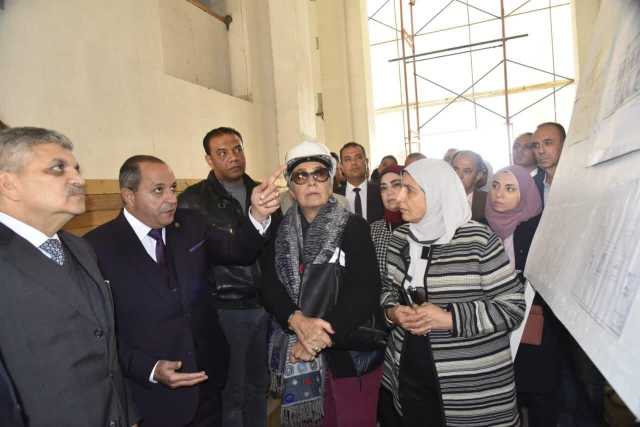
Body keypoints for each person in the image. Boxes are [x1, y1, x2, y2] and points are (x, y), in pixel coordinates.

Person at [85, 155, 281, 427]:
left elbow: (236, 250)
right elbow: (99, 332)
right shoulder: (96, 248)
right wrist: (149, 369)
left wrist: (257, 214)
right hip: (152, 395)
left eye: (173, 188)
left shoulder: (191, 224)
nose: (171, 199)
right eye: (158, 190)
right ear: (129, 196)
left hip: (208, 379)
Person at [0, 127, 138, 427]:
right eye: (57, 168)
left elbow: (105, 348)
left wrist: (127, 414)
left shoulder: (80, 248)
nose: (78, 179)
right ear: (9, 184)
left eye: (76, 169)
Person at [381, 158, 524, 426]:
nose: (398, 197)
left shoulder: (478, 240)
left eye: (409, 190)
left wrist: (449, 318)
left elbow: (512, 307)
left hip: (470, 383)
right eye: (399, 187)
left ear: (438, 193)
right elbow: (388, 290)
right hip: (409, 372)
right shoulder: (400, 238)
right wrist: (393, 312)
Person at [261, 141, 383, 427]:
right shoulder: (278, 230)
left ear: (331, 181)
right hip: (297, 347)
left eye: (319, 173)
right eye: (301, 176)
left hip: (349, 351)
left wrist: (317, 338)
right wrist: (296, 320)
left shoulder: (353, 226)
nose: (311, 182)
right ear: (291, 188)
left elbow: (364, 291)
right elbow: (269, 284)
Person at [178, 127, 274, 427]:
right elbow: (200, 257)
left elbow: (275, 248)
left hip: (265, 305)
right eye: (222, 152)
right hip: (225, 307)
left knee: (259, 386)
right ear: (209, 159)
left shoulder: (261, 191)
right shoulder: (193, 201)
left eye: (237, 149)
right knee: (231, 392)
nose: (233, 157)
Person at [368, 164, 405, 427]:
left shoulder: (422, 227)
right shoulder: (375, 229)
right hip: (382, 324)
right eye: (383, 187)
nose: (389, 193)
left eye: (396, 185)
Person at [335, 141, 384, 223]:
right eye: (348, 159)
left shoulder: (381, 192)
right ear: (341, 166)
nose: (354, 163)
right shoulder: (334, 198)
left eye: (358, 158)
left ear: (366, 162)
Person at [531, 122, 565, 205]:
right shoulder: (532, 185)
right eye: (536, 145)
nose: (541, 151)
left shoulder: (582, 180)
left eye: (548, 143)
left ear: (564, 144)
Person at [451, 150, 487, 222]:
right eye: (455, 169)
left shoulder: (488, 202)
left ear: (478, 176)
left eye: (466, 171)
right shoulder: (438, 198)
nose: (459, 176)